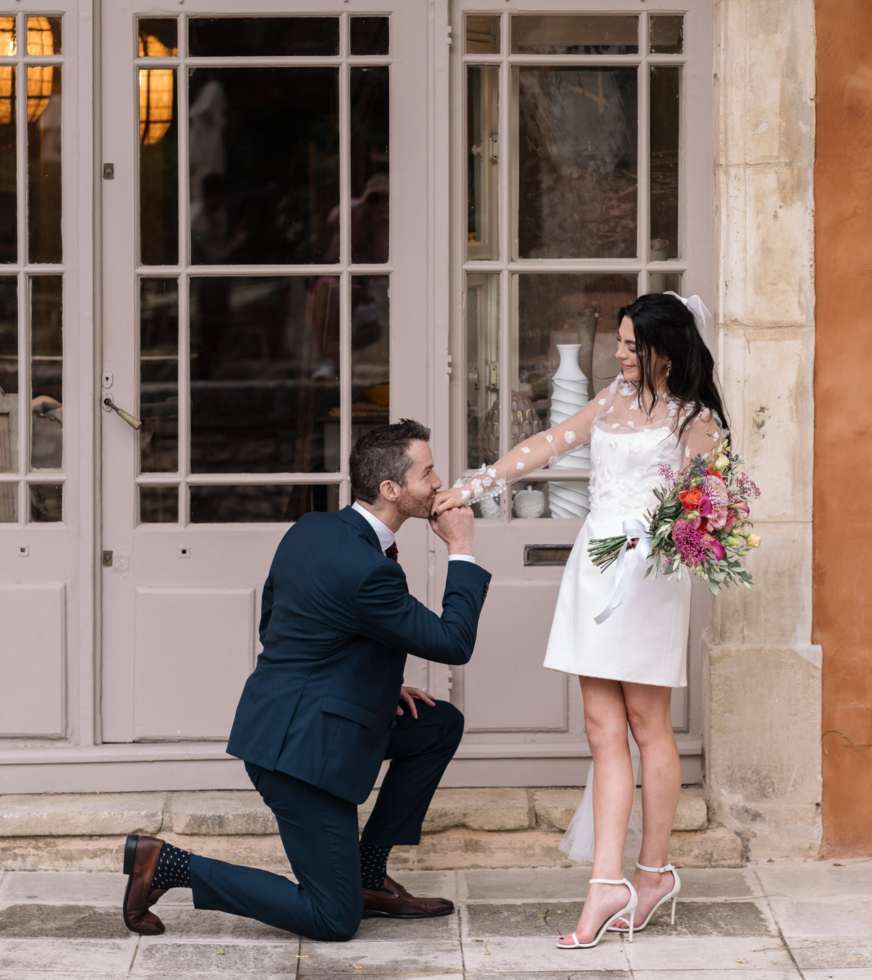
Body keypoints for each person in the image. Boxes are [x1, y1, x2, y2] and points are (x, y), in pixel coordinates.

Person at [433, 291, 727, 949]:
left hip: (649, 579)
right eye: (618, 342)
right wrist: (475, 487)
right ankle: (605, 883)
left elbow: (710, 511)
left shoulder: (694, 420)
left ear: (664, 350)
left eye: (630, 345)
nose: (618, 354)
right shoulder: (611, 402)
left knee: (648, 725)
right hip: (593, 570)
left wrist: (672, 532)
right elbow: (544, 444)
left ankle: (650, 873)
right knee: (600, 727)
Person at [121, 419, 490, 941]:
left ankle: (368, 873)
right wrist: (462, 549)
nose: (438, 483)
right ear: (391, 489)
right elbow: (454, 643)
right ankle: (168, 866)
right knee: (333, 919)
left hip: (303, 719)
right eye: (427, 473)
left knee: (436, 724)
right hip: (299, 756)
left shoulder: (313, 528)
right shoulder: (369, 570)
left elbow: (279, 624)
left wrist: (379, 689)